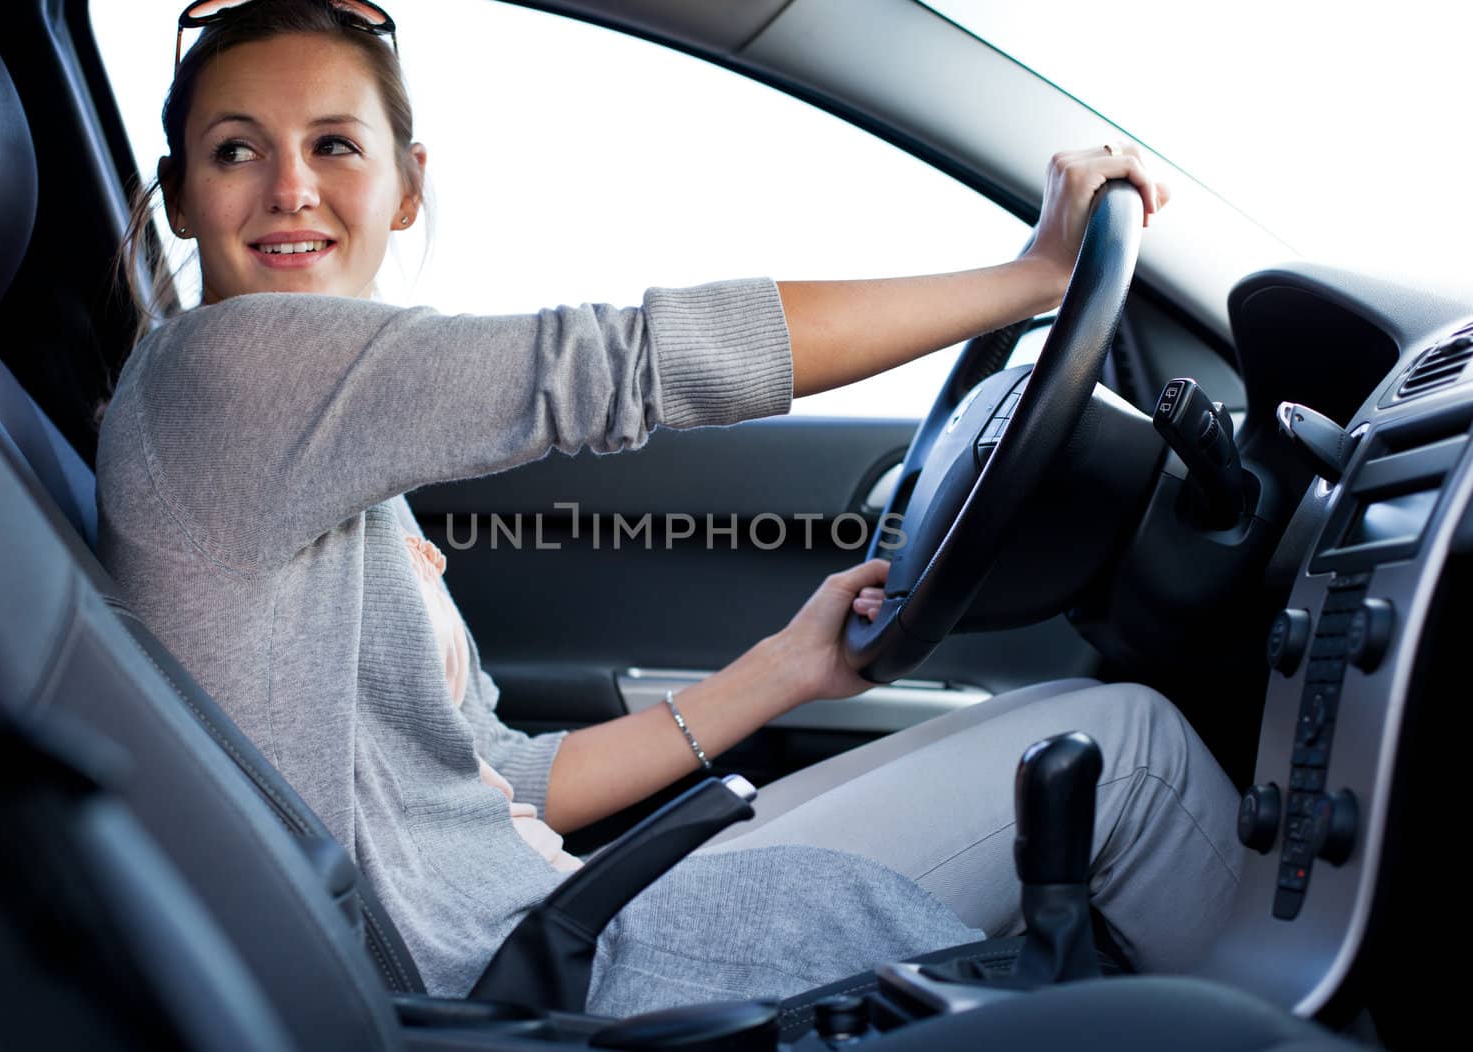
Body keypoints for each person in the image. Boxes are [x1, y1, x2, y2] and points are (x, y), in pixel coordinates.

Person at [98, 0, 1241, 1017]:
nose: (288, 187)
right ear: (184, 201)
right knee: (1126, 753)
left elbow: (500, 776)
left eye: (332, 145)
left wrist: (781, 670)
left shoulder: (319, 444)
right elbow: (625, 362)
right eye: (234, 151)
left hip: (542, 925)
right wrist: (1030, 279)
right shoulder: (228, 369)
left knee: (1082, 735)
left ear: (407, 185)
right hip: (522, 984)